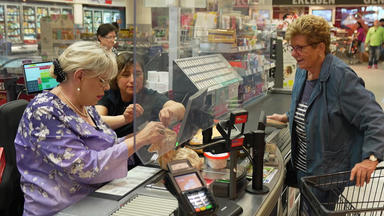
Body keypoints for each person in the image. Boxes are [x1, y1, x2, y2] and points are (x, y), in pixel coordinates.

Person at [14, 41, 166, 216]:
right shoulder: (44, 112)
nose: (107, 87)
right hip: (62, 210)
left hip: (97, 199)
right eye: (102, 80)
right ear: (79, 76)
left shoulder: (84, 106)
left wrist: (142, 138)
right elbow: (86, 168)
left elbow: (106, 145)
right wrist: (138, 140)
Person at [267, 15, 384, 214]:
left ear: (320, 47)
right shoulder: (303, 70)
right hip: (304, 167)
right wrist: (288, 116)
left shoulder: (341, 77)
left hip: (325, 173)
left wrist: (370, 158)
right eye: (292, 47)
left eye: (300, 48)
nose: (294, 54)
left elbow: (375, 118)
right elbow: (313, 105)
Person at [96, 52, 185, 138]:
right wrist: (125, 119)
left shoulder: (147, 95)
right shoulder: (108, 95)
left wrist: (170, 110)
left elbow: (180, 109)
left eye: (137, 74)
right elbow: (97, 120)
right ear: (115, 78)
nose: (132, 80)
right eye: (126, 75)